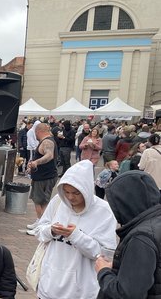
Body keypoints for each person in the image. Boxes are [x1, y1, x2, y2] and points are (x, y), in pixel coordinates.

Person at [34, 160, 117, 299]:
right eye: (66, 192)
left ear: (87, 189)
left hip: (81, 291)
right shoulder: (58, 202)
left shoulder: (104, 211)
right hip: (49, 285)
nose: (71, 197)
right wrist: (51, 230)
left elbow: (104, 255)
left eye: (76, 193)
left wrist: (77, 236)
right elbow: (39, 231)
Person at [96, 171, 161, 298]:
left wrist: (103, 272)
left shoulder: (141, 237)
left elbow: (128, 294)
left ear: (126, 203)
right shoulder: (155, 223)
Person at [26, 123, 58, 235]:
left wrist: (36, 162)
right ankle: (40, 222)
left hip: (44, 177)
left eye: (35, 133)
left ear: (38, 131)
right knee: (42, 201)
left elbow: (49, 155)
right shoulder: (47, 141)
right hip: (43, 176)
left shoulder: (47, 142)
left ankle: (41, 226)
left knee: (39, 201)